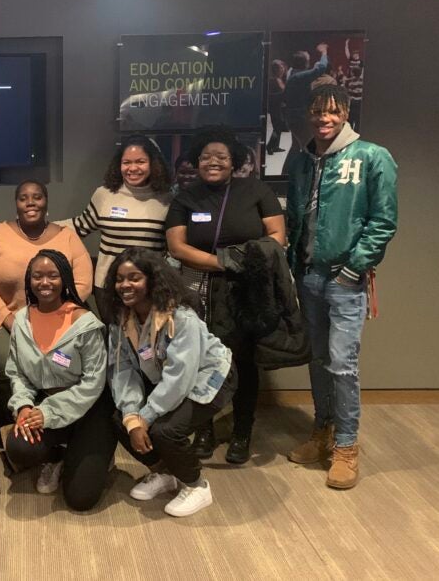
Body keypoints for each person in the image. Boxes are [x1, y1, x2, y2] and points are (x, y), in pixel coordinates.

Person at [285, 84, 398, 489]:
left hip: (345, 279)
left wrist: (355, 267)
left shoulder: (372, 157)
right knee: (316, 360)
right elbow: (295, 219)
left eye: (332, 111)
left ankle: (347, 446)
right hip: (309, 275)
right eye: (317, 112)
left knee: (343, 364)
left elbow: (383, 221)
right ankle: (322, 431)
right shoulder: (300, 162)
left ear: (346, 112)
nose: (324, 119)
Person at [165, 126, 286, 464]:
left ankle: (242, 433)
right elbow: (176, 245)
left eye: (221, 156)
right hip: (197, 289)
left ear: (234, 161)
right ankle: (203, 430)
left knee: (243, 362)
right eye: (205, 157)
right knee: (199, 360)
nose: (213, 162)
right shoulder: (186, 198)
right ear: (196, 162)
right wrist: (223, 262)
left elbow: (277, 236)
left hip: (244, 290)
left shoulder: (257, 191)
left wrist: (242, 262)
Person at [104, 248, 235, 517]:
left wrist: (146, 417)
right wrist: (133, 417)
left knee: (166, 430)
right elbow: (122, 371)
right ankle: (164, 473)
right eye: (119, 279)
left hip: (211, 377)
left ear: (152, 280)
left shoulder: (181, 318)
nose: (125, 285)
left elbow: (180, 378)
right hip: (169, 379)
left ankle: (197, 486)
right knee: (120, 420)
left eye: (134, 277)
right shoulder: (121, 321)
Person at [3, 250, 115, 512]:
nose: (45, 283)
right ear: (29, 281)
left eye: (53, 276)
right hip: (45, 405)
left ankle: (96, 449)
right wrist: (23, 407)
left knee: (80, 499)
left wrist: (47, 412)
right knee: (19, 447)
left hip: (90, 409)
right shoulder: (22, 320)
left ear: (64, 279)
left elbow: (93, 383)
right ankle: (58, 456)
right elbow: (16, 372)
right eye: (37, 276)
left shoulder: (85, 323)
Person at [60, 136, 173, 321]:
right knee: (114, 342)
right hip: (108, 286)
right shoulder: (104, 194)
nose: (133, 168)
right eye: (126, 162)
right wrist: (39, 226)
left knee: (148, 345)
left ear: (153, 163)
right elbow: (81, 225)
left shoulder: (166, 200)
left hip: (151, 287)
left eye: (140, 162)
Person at [0, 180, 94, 334]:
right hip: (7, 329)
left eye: (37, 197)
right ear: (16, 205)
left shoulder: (68, 236)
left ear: (46, 203)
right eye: (23, 198)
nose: (30, 203)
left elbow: (83, 283)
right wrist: (8, 320)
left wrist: (56, 317)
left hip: (61, 326)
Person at [284, 43, 330, 157]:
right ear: (304, 62)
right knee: (310, 146)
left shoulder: (293, 74)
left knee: (296, 147)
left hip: (295, 117)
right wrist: (324, 52)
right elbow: (321, 68)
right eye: (308, 60)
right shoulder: (299, 77)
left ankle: (286, 173)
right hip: (300, 118)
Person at [267, 59, 289, 154]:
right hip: (275, 107)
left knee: (279, 126)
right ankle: (270, 146)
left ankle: (275, 146)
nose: (283, 69)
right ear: (276, 69)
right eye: (281, 67)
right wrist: (282, 94)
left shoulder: (281, 79)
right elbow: (270, 96)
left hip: (281, 106)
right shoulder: (272, 81)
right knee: (277, 126)